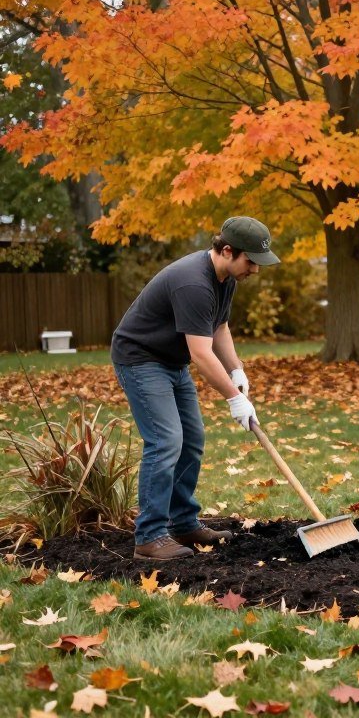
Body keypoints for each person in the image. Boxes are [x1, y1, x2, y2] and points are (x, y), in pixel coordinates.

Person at [111, 217, 280, 560]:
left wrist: (236, 370)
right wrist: (234, 400)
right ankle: (149, 537)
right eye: (251, 262)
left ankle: (183, 524)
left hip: (171, 362)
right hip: (141, 359)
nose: (255, 271)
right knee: (165, 440)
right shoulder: (194, 282)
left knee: (192, 439)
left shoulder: (225, 278)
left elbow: (218, 326)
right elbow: (200, 353)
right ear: (228, 251)